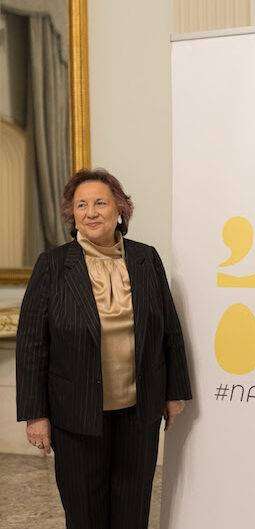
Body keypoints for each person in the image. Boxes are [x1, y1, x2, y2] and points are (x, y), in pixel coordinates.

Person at [16, 168, 192, 529]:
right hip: (74, 416)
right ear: (72, 214)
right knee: (84, 514)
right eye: (81, 205)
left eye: (100, 203)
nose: (91, 212)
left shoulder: (146, 259)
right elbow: (32, 344)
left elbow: (169, 329)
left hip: (139, 413)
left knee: (133, 511)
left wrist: (174, 392)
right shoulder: (53, 264)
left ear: (120, 209)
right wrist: (35, 414)